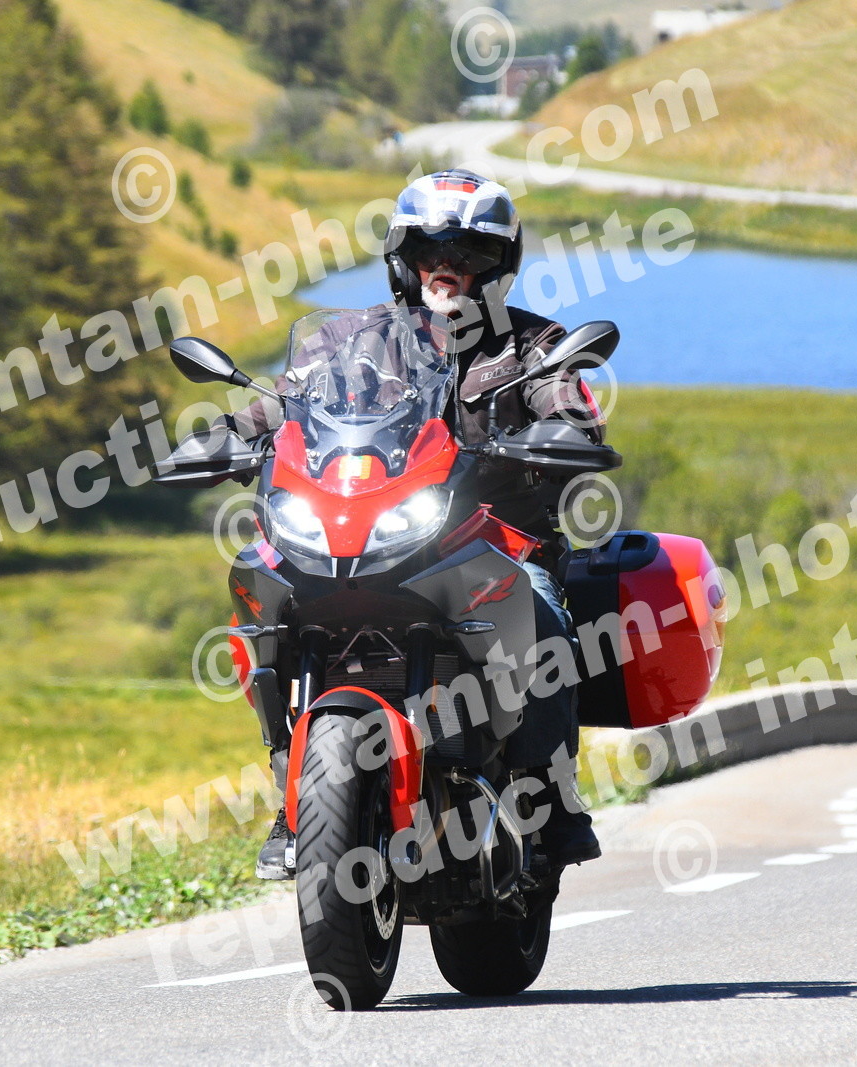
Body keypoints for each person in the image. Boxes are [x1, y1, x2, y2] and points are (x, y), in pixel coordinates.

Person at [237, 169, 604, 879]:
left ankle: (551, 797)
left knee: (542, 611)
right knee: (266, 592)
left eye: (470, 251)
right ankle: (295, 796)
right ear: (401, 257)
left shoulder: (529, 344)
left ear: (499, 264)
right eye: (429, 247)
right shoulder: (347, 339)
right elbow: (284, 401)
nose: (447, 264)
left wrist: (566, 428)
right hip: (369, 528)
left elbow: (567, 396)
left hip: (491, 538)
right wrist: (227, 433)